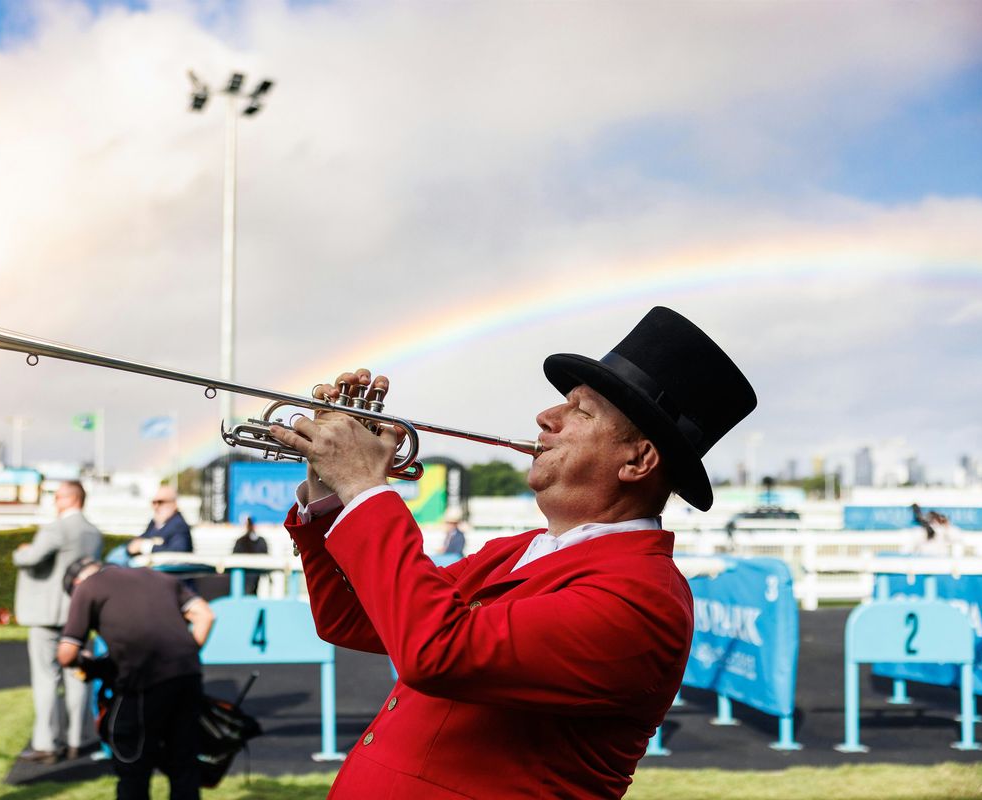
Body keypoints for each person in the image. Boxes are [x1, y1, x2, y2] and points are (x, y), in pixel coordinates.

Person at [268, 307, 757, 799]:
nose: (546, 417)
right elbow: (352, 620)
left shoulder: (641, 600)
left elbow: (437, 652)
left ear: (638, 459)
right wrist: (330, 490)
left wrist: (365, 486)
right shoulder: (516, 551)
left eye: (581, 411)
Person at [58, 557, 214, 800]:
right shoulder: (159, 577)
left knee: (133, 766)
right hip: (187, 676)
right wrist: (183, 656)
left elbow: (66, 654)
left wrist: (84, 663)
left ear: (76, 583)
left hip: (142, 683)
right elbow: (205, 615)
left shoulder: (87, 587)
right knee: (184, 765)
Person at [12, 479, 103, 763]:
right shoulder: (94, 532)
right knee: (77, 676)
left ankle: (47, 744)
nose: (55, 501)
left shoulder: (56, 528)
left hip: (47, 615)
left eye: (59, 496)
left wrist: (21, 550)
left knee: (46, 678)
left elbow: (31, 558)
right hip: (80, 613)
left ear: (72, 498)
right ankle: (76, 740)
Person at [127, 484, 192, 556]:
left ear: (174, 504)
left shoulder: (179, 525)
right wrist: (134, 544)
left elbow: (179, 551)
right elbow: (141, 538)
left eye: (160, 502)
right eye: (154, 502)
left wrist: (145, 546)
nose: (156, 506)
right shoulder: (155, 523)